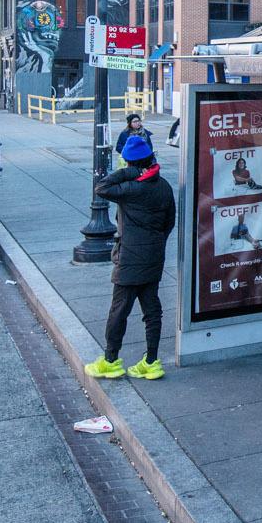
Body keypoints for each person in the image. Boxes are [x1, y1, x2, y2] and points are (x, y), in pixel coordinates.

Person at [86, 134, 177, 382]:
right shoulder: (164, 186)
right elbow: (170, 222)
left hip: (129, 259)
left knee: (119, 311)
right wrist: (156, 243)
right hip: (154, 255)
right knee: (152, 310)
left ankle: (111, 360)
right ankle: (151, 362)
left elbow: (102, 187)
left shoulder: (131, 188)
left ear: (128, 162)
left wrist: (130, 172)